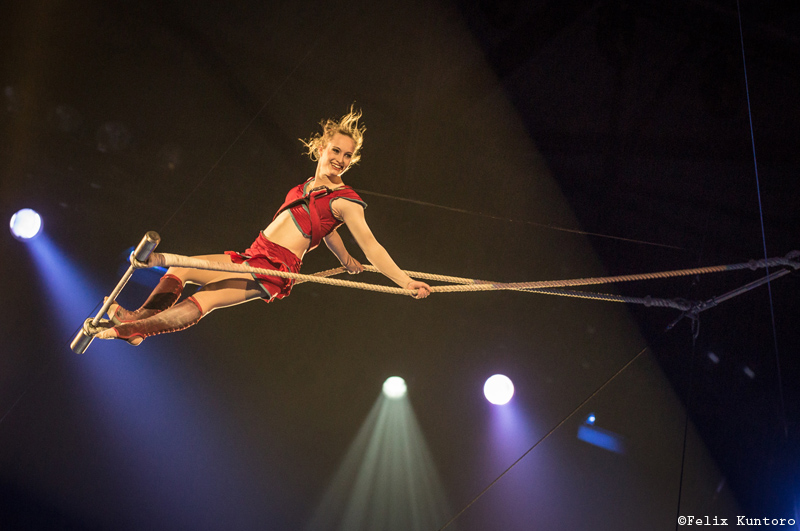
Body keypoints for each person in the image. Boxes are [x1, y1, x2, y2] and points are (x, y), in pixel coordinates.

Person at [96, 107, 431, 345]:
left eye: (347, 155)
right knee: (204, 297)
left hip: (273, 266)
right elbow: (324, 229)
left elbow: (372, 246)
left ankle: (134, 324)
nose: (340, 159)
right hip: (256, 254)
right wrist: (343, 258)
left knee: (182, 266)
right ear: (320, 148)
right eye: (335, 150)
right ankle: (138, 327)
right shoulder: (307, 187)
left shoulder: (345, 199)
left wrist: (405, 281)